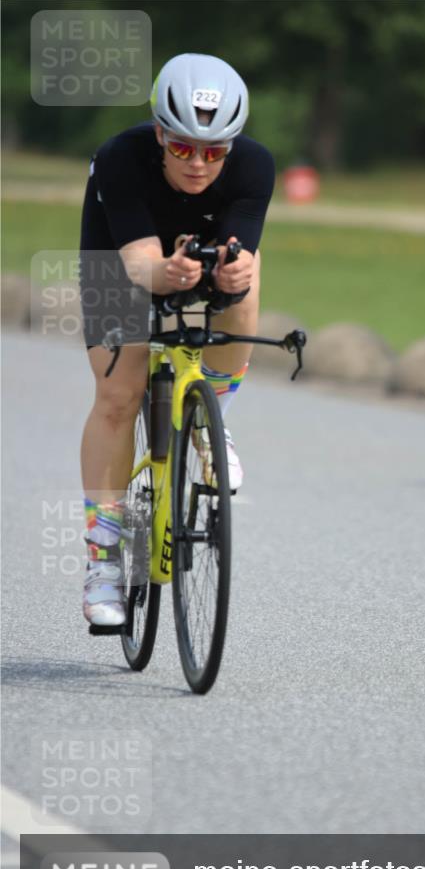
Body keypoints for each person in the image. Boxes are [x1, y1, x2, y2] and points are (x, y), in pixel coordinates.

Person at [79, 52, 275, 628]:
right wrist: (167, 273)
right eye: (184, 147)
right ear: (161, 133)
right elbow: (141, 265)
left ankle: (214, 417)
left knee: (248, 279)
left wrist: (232, 275)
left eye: (214, 152)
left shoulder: (254, 166)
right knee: (119, 396)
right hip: (122, 255)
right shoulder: (121, 158)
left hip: (197, 248)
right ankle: (104, 562)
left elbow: (240, 249)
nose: (197, 163)